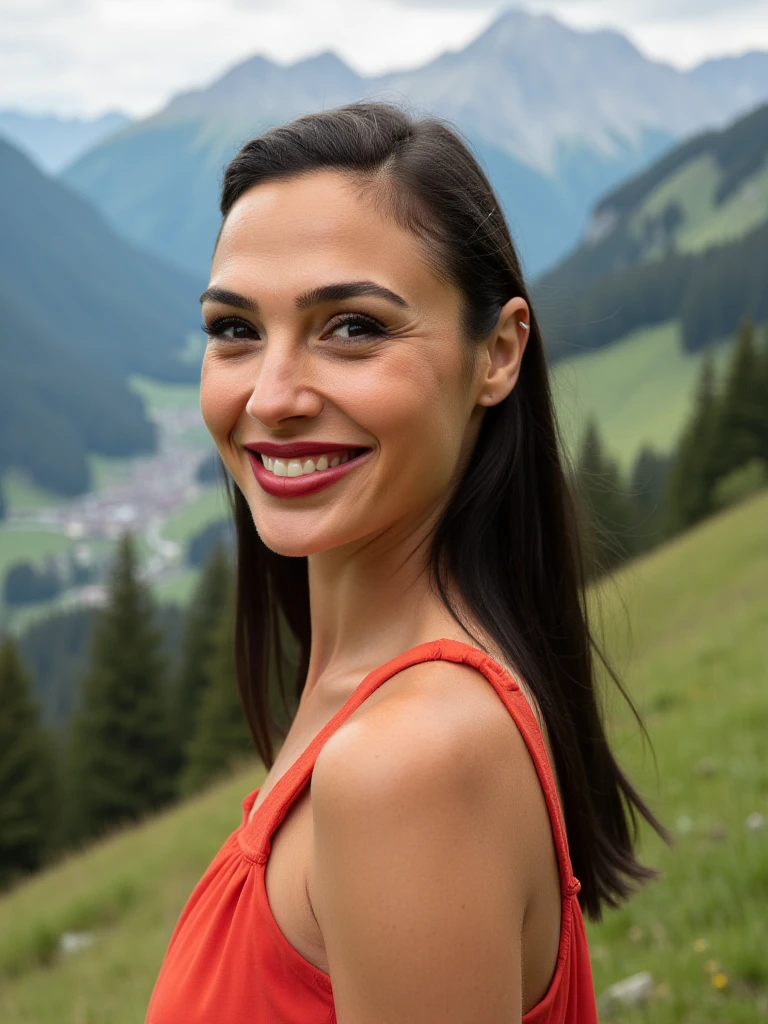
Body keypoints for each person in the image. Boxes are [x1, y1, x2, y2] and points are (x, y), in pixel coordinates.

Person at [146, 102, 670, 1023]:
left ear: (498, 353)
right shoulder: (371, 706)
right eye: (234, 329)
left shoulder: (407, 761)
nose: (271, 398)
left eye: (352, 327)